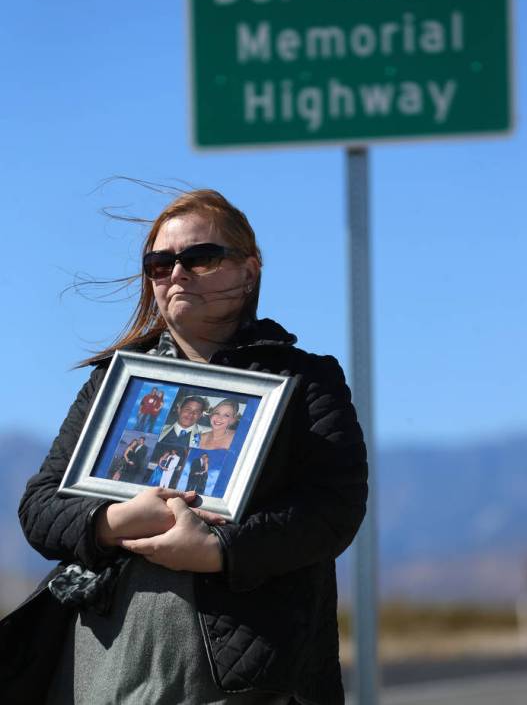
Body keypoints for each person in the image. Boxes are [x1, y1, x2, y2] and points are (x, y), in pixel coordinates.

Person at [7, 189, 368, 705]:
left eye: (199, 258)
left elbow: (334, 510)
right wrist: (113, 522)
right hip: (99, 664)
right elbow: (40, 507)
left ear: (249, 271)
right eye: (159, 262)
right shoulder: (112, 384)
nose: (176, 273)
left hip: (241, 672)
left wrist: (219, 552)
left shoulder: (306, 379)